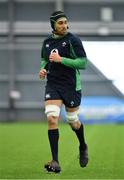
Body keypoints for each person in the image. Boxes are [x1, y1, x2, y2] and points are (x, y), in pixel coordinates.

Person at [39, 11, 88, 173]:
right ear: (53, 24)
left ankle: (82, 145)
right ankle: (55, 161)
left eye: (66, 22)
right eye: (60, 23)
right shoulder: (46, 42)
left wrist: (62, 60)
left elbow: (83, 63)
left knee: (73, 121)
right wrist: (42, 70)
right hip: (53, 84)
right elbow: (45, 60)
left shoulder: (73, 40)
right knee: (52, 118)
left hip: (71, 86)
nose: (64, 26)